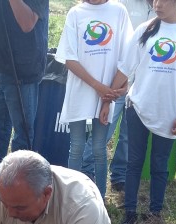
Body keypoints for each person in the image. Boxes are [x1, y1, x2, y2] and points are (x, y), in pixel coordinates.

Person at [108, 0, 176, 224]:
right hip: (138, 106)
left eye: (163, 1)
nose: (157, 4)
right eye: (155, 0)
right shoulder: (145, 29)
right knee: (134, 162)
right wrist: (109, 96)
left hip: (169, 111)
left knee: (159, 165)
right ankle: (130, 214)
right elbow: (125, 67)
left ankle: (155, 214)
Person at [56, 0, 131, 200]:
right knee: (77, 146)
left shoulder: (119, 11)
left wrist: (109, 95)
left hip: (108, 93)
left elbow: (127, 56)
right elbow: (69, 58)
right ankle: (70, 198)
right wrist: (99, 87)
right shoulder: (75, 13)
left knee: (99, 147)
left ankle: (100, 198)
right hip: (81, 90)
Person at [82, 0, 154, 193]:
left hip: (142, 84)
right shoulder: (123, 4)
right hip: (117, 79)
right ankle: (86, 170)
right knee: (104, 127)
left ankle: (119, 175)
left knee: (127, 135)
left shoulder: (164, 9)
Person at [0, 0, 49, 188]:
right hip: (1, 64)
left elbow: (27, 24)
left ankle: (18, 183)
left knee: (22, 131)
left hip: (24, 70)